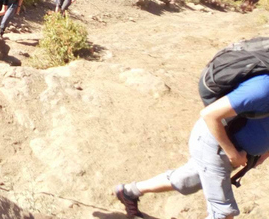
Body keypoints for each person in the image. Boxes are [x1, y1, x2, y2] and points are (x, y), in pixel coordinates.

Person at [114, 74, 269, 219]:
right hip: (215, 143)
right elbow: (210, 115)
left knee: (187, 180)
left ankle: (128, 192)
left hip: (233, 150)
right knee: (223, 213)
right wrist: (232, 154)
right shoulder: (263, 87)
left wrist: (263, 154)